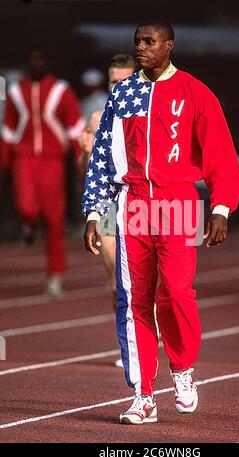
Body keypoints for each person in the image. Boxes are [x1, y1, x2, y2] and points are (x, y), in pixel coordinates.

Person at [82, 22, 239, 424]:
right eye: (137, 41)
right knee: (134, 300)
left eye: (149, 41)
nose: (141, 47)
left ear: (169, 46)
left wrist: (221, 207)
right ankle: (144, 394)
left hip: (179, 201)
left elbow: (221, 152)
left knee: (176, 292)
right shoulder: (123, 93)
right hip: (133, 203)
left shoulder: (195, 92)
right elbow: (104, 155)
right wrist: (94, 211)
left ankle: (183, 370)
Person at [1, 50, 84, 298]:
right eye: (32, 60)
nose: (35, 64)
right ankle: (28, 223)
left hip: (52, 160)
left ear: (47, 63)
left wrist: (81, 157)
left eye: (40, 60)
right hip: (24, 158)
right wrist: (4, 163)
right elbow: (8, 129)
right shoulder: (16, 91)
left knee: (54, 220)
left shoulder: (61, 90)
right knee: (26, 206)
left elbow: (75, 124)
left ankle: (55, 276)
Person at [79, 54, 137, 368]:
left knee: (148, 280)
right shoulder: (98, 117)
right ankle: (130, 344)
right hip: (110, 205)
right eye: (113, 81)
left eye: (123, 81)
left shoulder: (147, 114)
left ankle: (147, 328)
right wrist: (85, 152)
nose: (118, 86)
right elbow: (84, 170)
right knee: (119, 278)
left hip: (143, 200)